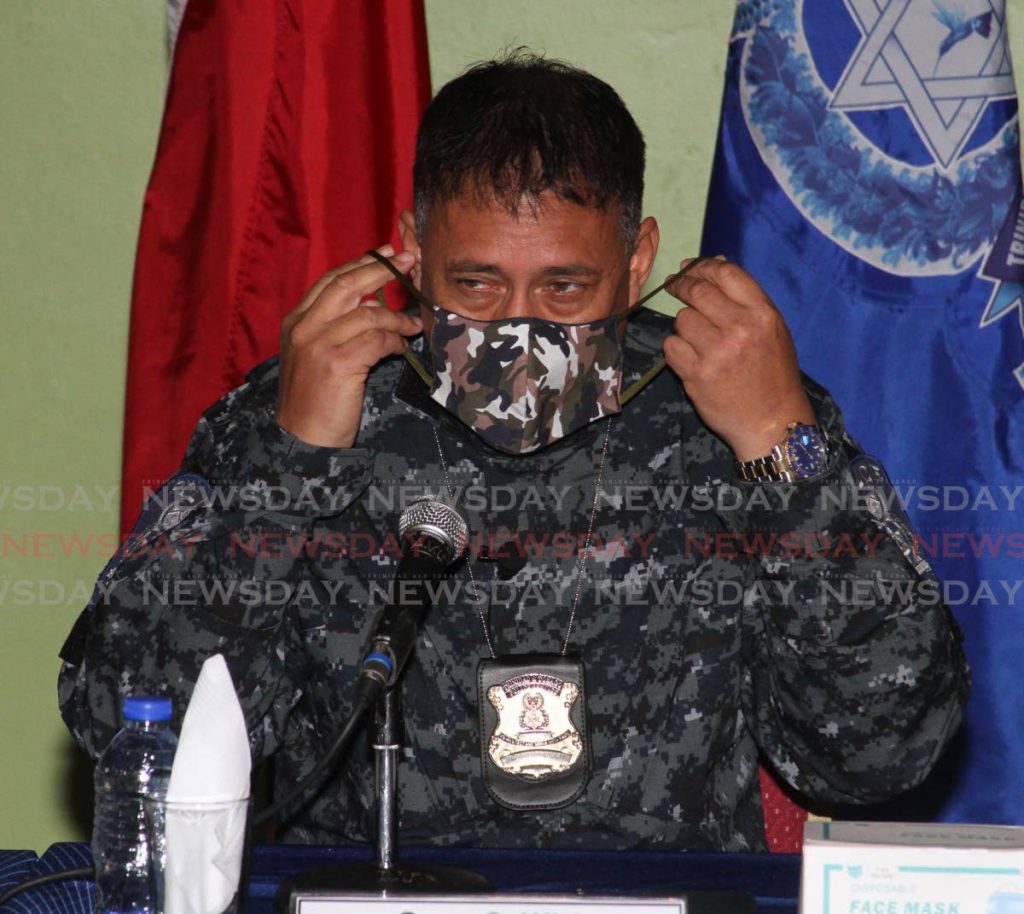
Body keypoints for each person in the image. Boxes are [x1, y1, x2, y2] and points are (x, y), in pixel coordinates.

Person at [59, 53, 969, 851]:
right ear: (412, 252)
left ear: (639, 258)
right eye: (477, 284)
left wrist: (785, 455)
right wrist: (287, 468)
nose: (521, 327)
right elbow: (133, 739)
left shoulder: (730, 409)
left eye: (566, 286)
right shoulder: (309, 405)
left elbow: (880, 752)